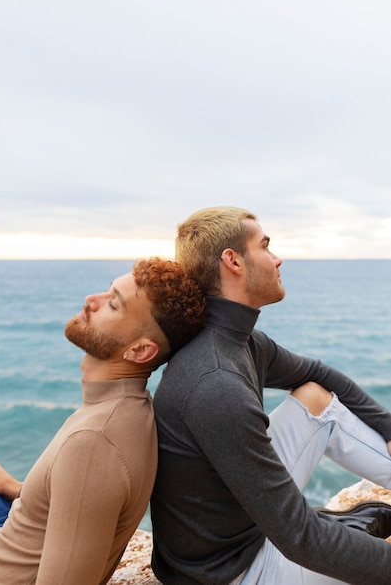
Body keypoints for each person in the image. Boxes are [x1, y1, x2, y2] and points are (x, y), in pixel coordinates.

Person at [151, 206, 391, 585]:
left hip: (241, 525)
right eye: (265, 246)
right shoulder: (216, 381)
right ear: (233, 261)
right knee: (337, 547)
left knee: (314, 398)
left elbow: (318, 373)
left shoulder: (237, 341)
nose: (277, 258)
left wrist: (388, 429)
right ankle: (353, 525)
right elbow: (301, 540)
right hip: (236, 572)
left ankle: (354, 522)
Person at [0, 257, 207, 585]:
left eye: (113, 303)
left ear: (140, 352)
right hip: (8, 541)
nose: (91, 300)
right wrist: (19, 490)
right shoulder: (126, 406)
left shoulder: (95, 441)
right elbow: (86, 502)